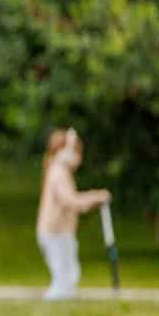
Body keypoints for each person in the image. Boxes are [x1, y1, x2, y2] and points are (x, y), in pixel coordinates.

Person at [37, 129, 110, 300]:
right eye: (76, 151)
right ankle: (54, 301)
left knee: (69, 276)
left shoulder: (60, 172)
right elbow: (70, 201)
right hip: (54, 232)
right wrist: (95, 197)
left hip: (61, 232)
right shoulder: (57, 173)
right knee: (62, 279)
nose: (78, 157)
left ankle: (63, 301)